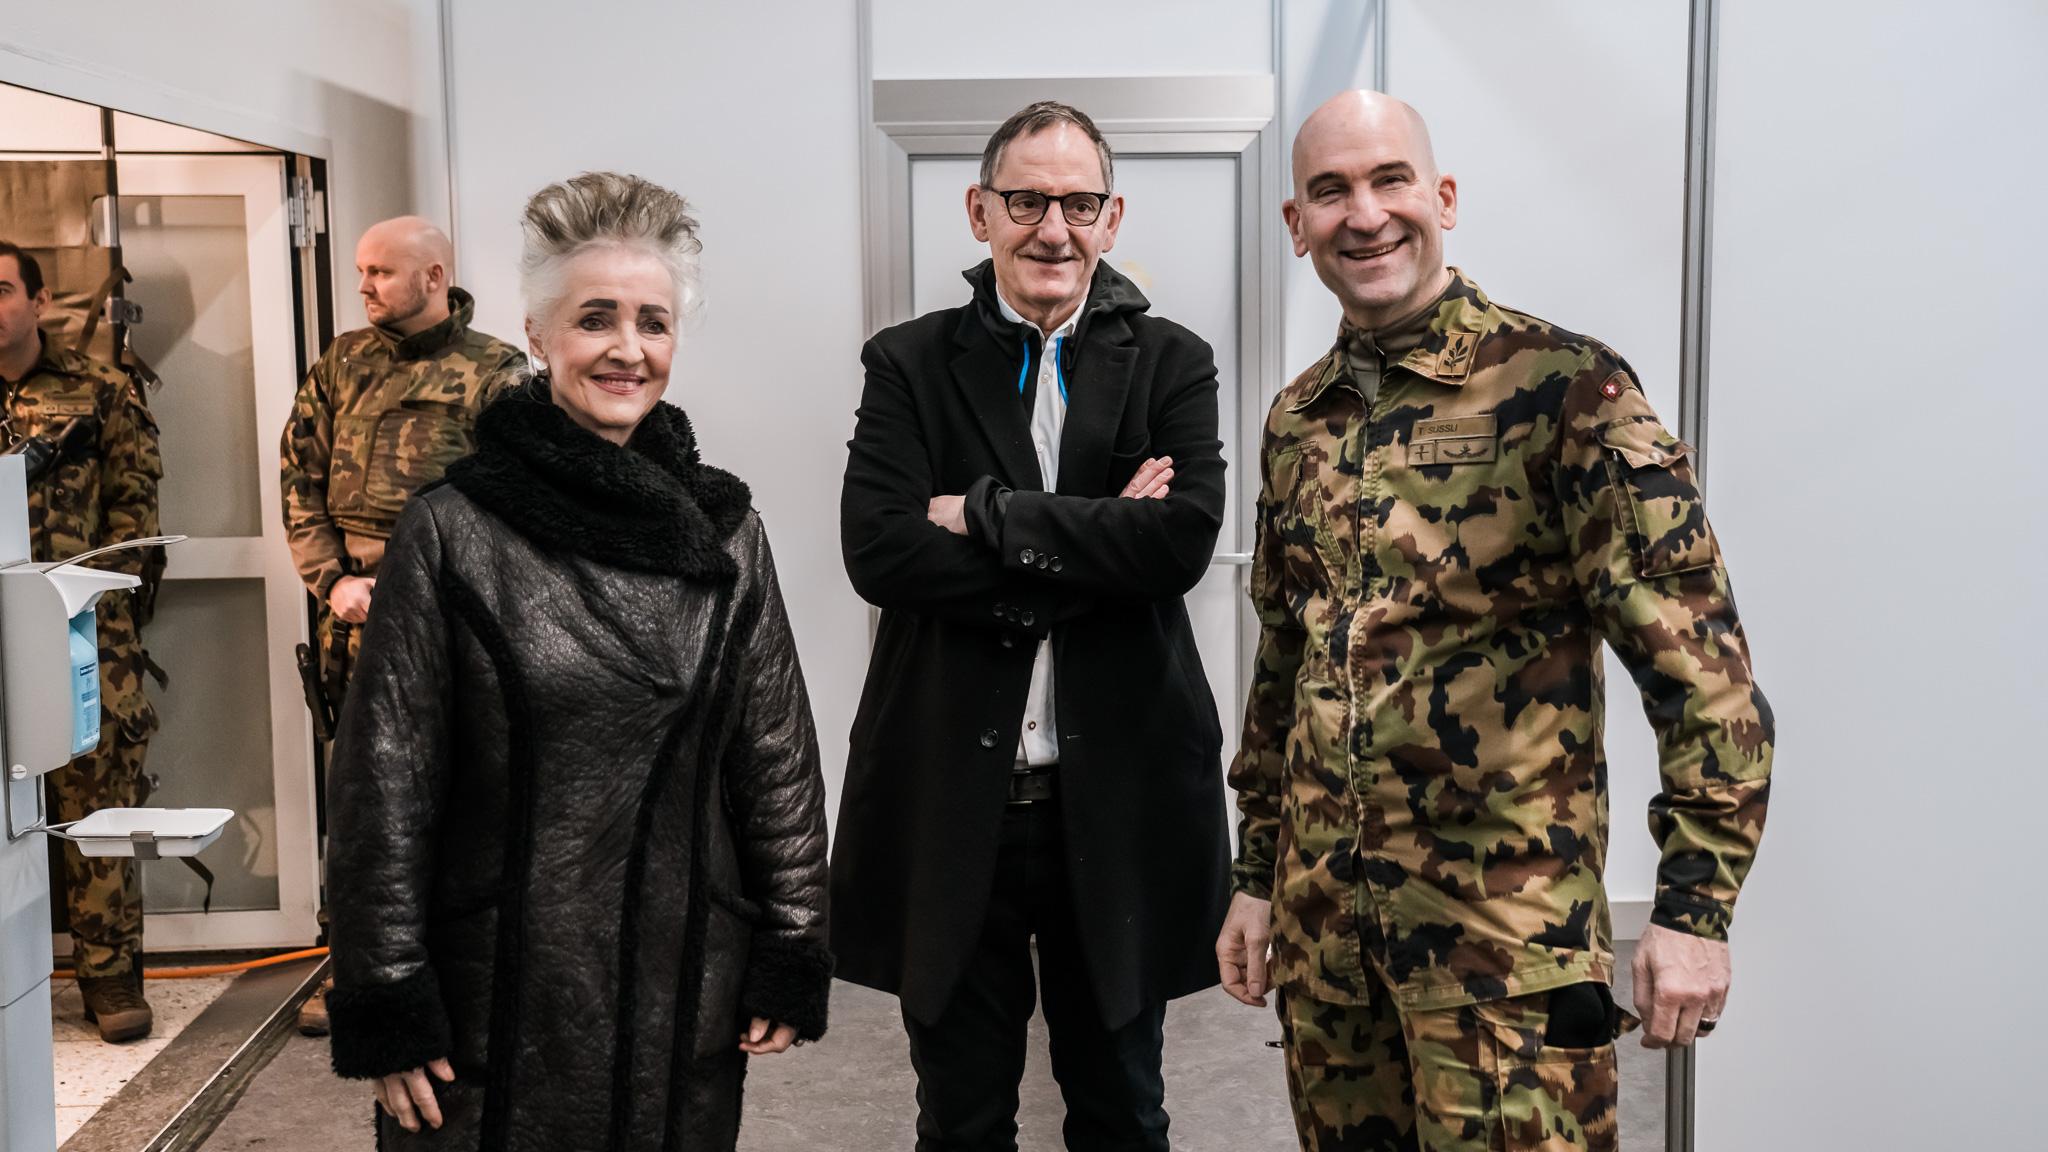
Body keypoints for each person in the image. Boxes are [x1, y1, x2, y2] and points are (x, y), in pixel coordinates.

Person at [1217, 91, 1775, 1151]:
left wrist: (1693, 910)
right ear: (1295, 225)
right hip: (1331, 955)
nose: (1364, 214)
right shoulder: (1298, 421)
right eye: (1328, 191)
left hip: (1503, 964)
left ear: (1443, 197)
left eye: (1389, 180)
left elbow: (1701, 675)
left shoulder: (1565, 391)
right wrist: (1254, 879)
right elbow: (1283, 672)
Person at [322, 173, 832, 1149]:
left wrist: (791, 937)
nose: (628, 347)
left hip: (681, 983)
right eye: (596, 317)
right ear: (539, 332)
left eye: (654, 321)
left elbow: (773, 759)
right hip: (491, 994)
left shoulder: (727, 535)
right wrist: (386, 990)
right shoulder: (452, 532)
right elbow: (384, 785)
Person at [835, 101, 1231, 1151]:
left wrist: (982, 516)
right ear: (979, 211)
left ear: (1110, 217)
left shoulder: (1170, 362)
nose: (1051, 227)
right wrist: (1097, 546)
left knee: (1120, 1108)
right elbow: (877, 553)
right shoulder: (907, 364)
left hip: (1118, 799)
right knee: (959, 1117)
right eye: (1025, 200)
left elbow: (1179, 546)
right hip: (954, 798)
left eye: (1077, 201)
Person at [278, 215, 525, 1035]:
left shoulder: (497, 372)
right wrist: (333, 582)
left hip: (455, 623)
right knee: (362, 803)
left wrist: (431, 588)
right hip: (353, 620)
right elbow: (297, 476)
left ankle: (462, 973)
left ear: (433, 276)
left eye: (382, 271)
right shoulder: (343, 364)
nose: (366, 285)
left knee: (464, 793)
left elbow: (516, 505)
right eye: (361, 271)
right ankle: (352, 972)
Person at [0, 240, 163, 1043]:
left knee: (96, 806)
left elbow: (136, 512)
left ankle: (110, 980)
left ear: (36, 299)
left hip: (79, 632)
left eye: (1, 289)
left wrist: (98, 604)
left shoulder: (98, 391)